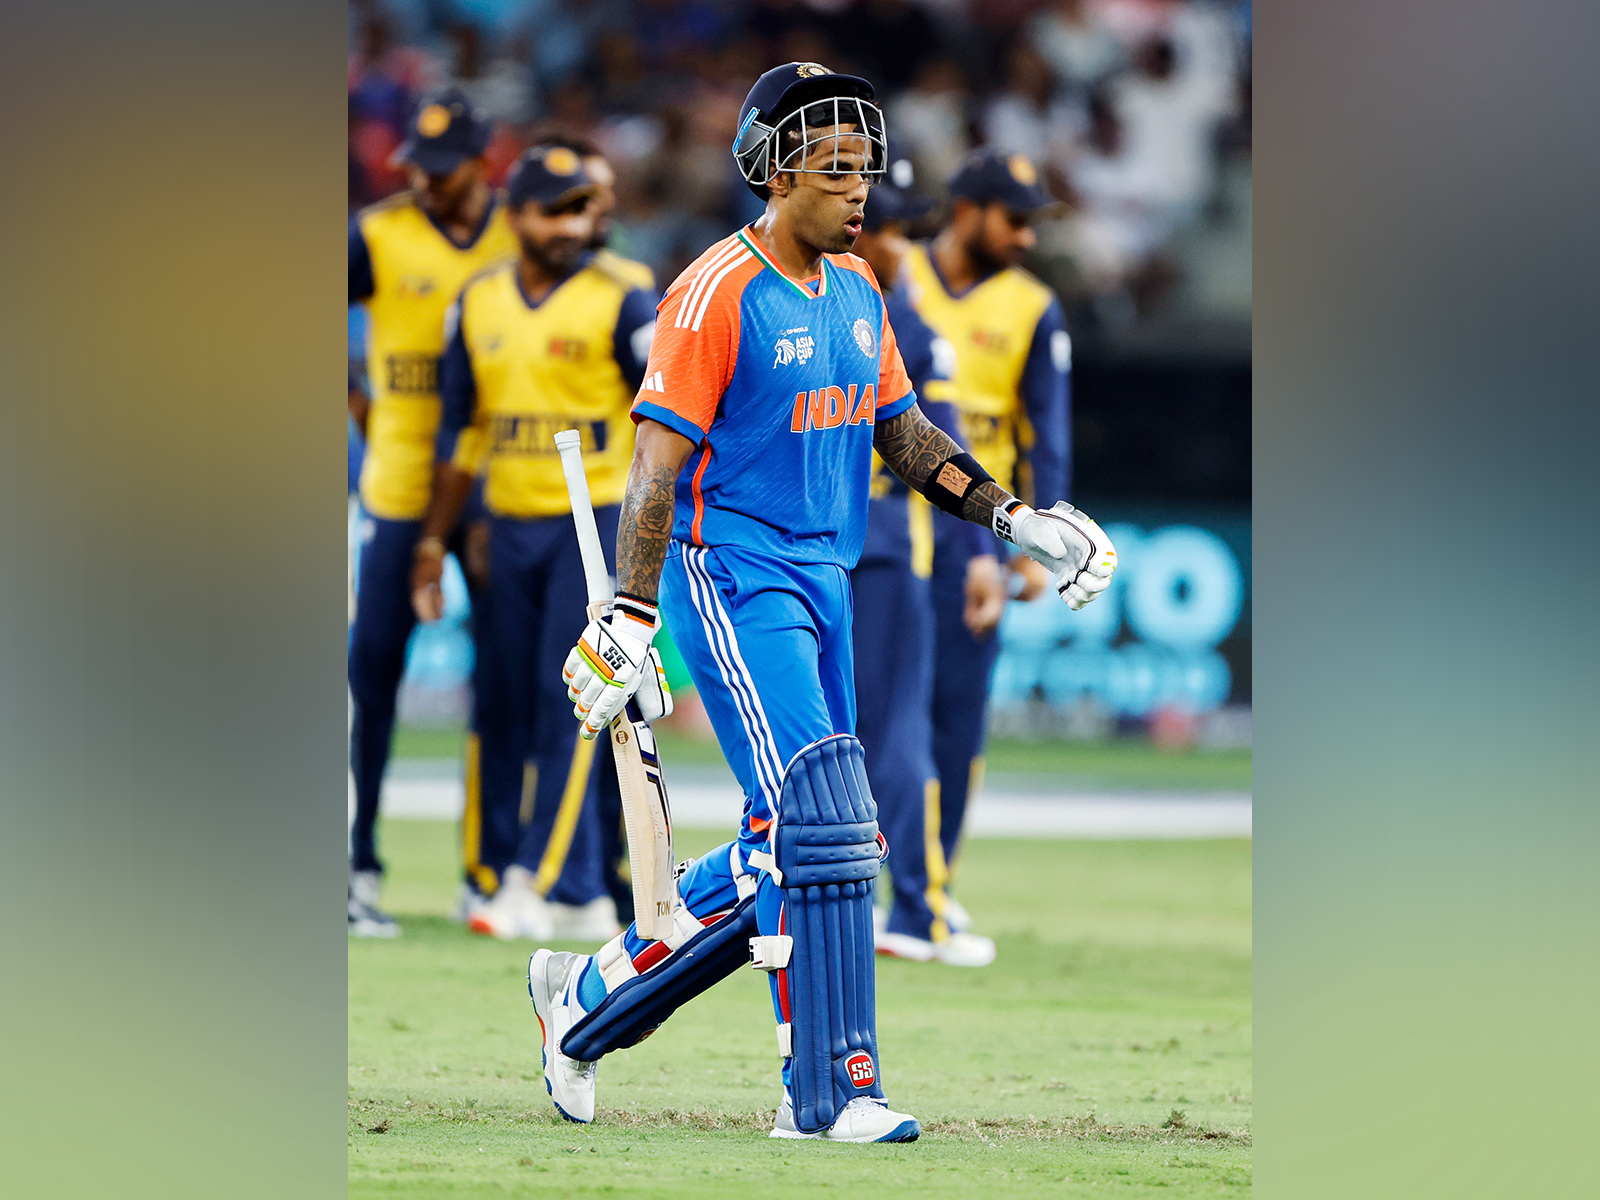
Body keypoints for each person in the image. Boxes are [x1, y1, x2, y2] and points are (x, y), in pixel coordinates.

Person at [522, 63, 1116, 1143]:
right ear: (775, 173)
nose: (860, 188)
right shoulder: (714, 290)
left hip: (826, 577)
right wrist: (631, 613)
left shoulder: (857, 289)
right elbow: (655, 470)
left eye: (864, 165)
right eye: (835, 168)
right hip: (733, 574)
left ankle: (589, 995)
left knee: (791, 837)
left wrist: (1012, 517)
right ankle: (828, 1093)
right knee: (819, 823)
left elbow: (904, 431)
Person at [411, 145, 660, 943]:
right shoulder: (478, 301)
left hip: (595, 523)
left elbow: (667, 419)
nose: (573, 225)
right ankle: (532, 879)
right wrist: (438, 538)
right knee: (499, 699)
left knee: (575, 701)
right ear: (515, 216)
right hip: (507, 522)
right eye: (555, 211)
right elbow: (461, 432)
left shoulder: (624, 297)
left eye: (582, 209)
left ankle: (538, 878)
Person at [347, 89, 519, 937]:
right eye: (417, 166)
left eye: (443, 171)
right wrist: (356, 401)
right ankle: (356, 867)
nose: (425, 182)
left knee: (502, 683)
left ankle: (490, 872)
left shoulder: (518, 231)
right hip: (399, 484)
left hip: (492, 487)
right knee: (371, 675)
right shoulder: (377, 234)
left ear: (483, 165)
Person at [900, 148, 1074, 934]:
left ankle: (932, 882)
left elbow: (1046, 435)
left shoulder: (1033, 306)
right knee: (880, 710)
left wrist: (1038, 538)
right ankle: (881, 880)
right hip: (891, 515)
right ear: (966, 210)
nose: (1026, 238)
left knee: (956, 714)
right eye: (1015, 219)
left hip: (981, 523)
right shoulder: (897, 274)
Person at [846, 163, 1005, 967]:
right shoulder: (899, 320)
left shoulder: (798, 304)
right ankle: (917, 908)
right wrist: (982, 548)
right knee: (898, 738)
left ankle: (840, 905)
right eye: (892, 230)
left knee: (832, 742)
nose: (904, 248)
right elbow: (940, 452)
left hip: (807, 546)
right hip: (882, 549)